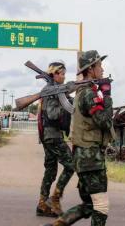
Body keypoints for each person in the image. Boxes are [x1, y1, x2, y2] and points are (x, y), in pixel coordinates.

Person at [45, 50, 114, 226]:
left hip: (83, 158)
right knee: (101, 206)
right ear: (91, 69)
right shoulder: (89, 94)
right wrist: (107, 97)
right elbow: (104, 121)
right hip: (90, 158)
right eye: (99, 65)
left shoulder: (84, 92)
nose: (102, 69)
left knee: (89, 205)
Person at [37, 61, 75, 217]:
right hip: (52, 135)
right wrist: (63, 101)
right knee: (71, 165)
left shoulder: (55, 90)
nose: (64, 77)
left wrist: (69, 96)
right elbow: (52, 114)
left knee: (51, 170)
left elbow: (69, 104)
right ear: (55, 74)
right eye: (62, 74)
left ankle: (42, 204)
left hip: (50, 135)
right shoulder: (50, 91)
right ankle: (55, 199)